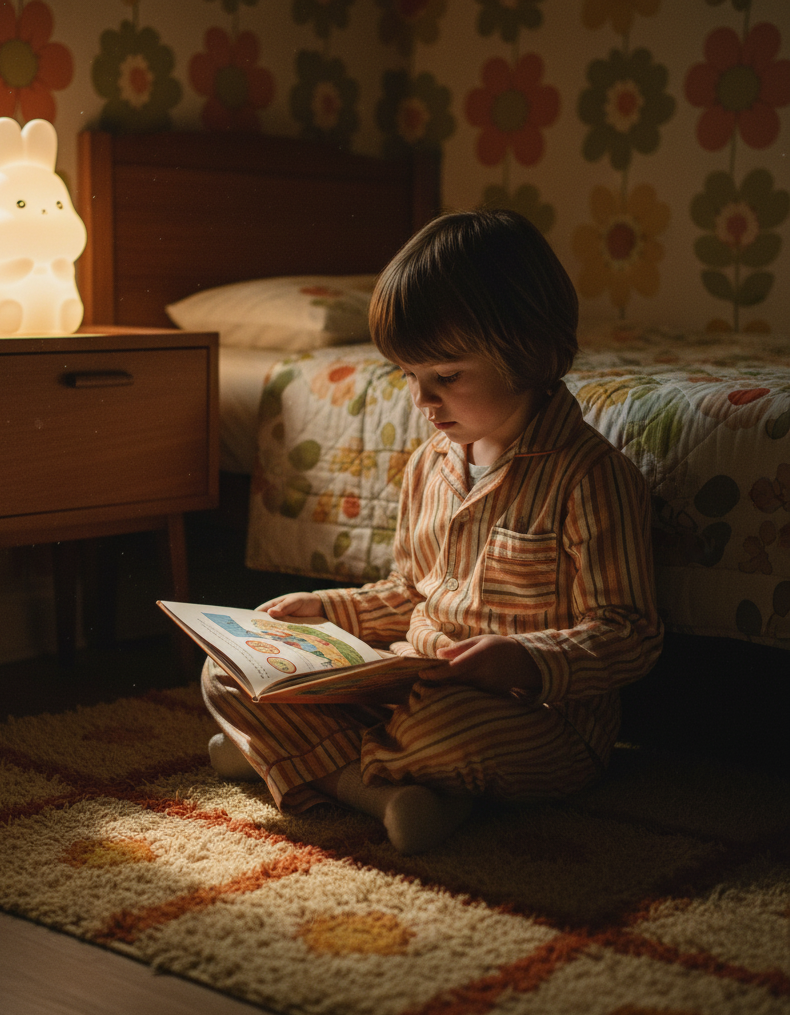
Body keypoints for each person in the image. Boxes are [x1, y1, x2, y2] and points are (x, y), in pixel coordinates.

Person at [201, 208, 663, 855]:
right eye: (409, 377)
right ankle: (383, 793)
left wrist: (529, 662)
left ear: (527, 352)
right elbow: (410, 592)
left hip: (534, 718)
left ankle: (285, 759)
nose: (422, 402)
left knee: (439, 724)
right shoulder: (429, 466)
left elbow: (629, 632)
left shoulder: (589, 476)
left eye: (445, 377)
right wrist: (326, 610)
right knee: (225, 674)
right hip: (410, 687)